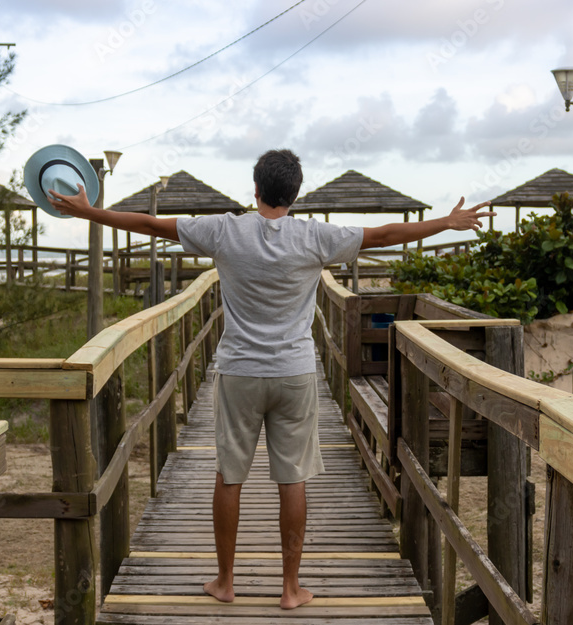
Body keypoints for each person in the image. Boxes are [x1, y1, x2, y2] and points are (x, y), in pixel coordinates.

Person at [47, 149, 494, 609]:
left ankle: (225, 581)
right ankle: (290, 587)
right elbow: (384, 234)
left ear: (255, 189)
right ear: (295, 194)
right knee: (292, 479)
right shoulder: (315, 237)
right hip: (295, 373)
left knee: (229, 476)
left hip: (239, 371)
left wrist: (88, 211)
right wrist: (445, 222)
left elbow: (150, 225)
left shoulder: (224, 230)